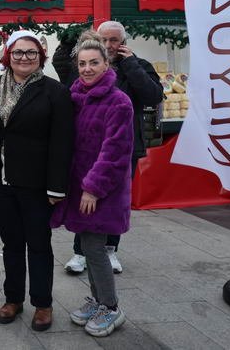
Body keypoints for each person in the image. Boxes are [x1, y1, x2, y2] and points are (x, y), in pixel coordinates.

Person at [0, 30, 73, 332]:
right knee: (12, 244)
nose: (24, 58)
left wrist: (57, 187)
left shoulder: (54, 92)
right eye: (18, 52)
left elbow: (62, 142)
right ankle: (13, 298)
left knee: (39, 245)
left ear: (40, 56)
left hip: (36, 184)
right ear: (8, 56)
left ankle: (42, 303)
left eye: (31, 53)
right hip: (0, 180)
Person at [63, 21, 162, 275]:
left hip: (125, 147)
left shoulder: (139, 65)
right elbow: (67, 76)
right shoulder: (88, 63)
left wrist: (131, 66)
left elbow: (152, 96)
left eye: (114, 40)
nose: (109, 45)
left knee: (113, 200)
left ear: (123, 42)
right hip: (86, 149)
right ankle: (80, 251)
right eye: (104, 40)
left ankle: (110, 250)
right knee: (83, 199)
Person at [51, 38, 133, 337]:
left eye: (93, 62)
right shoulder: (76, 97)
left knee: (96, 248)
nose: (87, 69)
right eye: (82, 63)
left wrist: (92, 188)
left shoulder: (118, 101)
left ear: (106, 64)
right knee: (87, 245)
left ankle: (110, 307)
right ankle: (98, 300)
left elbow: (115, 152)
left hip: (101, 192)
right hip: (81, 188)